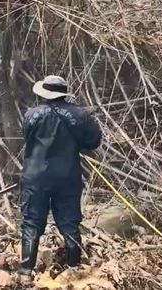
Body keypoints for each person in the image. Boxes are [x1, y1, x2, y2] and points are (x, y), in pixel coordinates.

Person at [18, 75, 102, 278]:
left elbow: (27, 138)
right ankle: (73, 269)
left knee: (31, 222)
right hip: (67, 176)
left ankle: (25, 271)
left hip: (35, 176)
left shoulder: (32, 114)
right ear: (63, 93)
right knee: (69, 222)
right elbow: (94, 141)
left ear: (45, 93)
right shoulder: (81, 115)